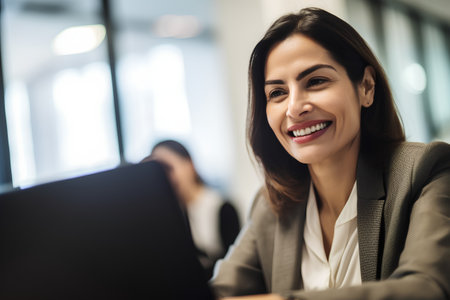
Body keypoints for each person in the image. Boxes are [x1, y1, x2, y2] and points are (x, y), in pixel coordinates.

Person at [210, 7, 450, 300]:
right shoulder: (272, 206)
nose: (294, 108)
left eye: (315, 81)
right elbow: (219, 292)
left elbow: (428, 288)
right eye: (277, 93)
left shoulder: (426, 170)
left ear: (366, 87)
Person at [141, 139, 240, 279]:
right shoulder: (162, 216)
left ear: (190, 164)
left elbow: (235, 266)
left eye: (167, 168)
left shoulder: (222, 207)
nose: (165, 178)